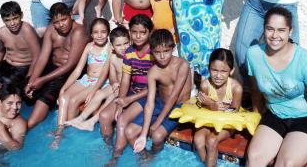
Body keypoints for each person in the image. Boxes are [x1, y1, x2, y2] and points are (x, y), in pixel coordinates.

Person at [246, 7, 307, 167]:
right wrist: (255, 120)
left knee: (286, 164)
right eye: (270, 29)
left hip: (306, 118)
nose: (275, 35)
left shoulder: (306, 61)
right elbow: (256, 93)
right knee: (254, 158)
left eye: (281, 30)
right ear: (264, 29)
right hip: (275, 115)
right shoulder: (253, 54)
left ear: (290, 31)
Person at [24, 2, 88, 129]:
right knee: (24, 86)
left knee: (45, 95)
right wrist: (31, 82)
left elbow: (70, 64)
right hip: (52, 67)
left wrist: (42, 80)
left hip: (68, 72)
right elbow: (43, 57)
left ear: (71, 15)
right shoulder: (51, 29)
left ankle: (28, 127)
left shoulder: (78, 32)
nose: (60, 25)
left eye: (63, 20)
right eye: (56, 22)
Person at [129, 30, 191, 160]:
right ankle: (145, 156)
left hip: (179, 106)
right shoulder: (153, 71)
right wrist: (143, 134)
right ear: (152, 52)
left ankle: (153, 155)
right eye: (157, 53)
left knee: (157, 136)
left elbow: (174, 96)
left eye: (166, 51)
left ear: (172, 49)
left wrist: (157, 122)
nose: (162, 56)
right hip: (160, 103)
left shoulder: (182, 65)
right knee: (130, 132)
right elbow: (150, 102)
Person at [50, 18, 111, 148]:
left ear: (108, 33)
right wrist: (63, 88)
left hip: (100, 82)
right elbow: (78, 70)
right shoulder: (89, 46)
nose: (99, 35)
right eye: (96, 32)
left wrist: (94, 90)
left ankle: (71, 131)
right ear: (91, 34)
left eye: (103, 32)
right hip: (86, 79)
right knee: (65, 97)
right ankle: (60, 130)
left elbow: (105, 73)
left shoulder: (109, 49)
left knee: (74, 101)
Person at [99, 14, 154, 147]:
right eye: (134, 32)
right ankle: (107, 148)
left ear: (150, 33)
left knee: (121, 121)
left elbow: (155, 87)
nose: (138, 36)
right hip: (132, 90)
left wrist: (128, 100)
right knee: (104, 116)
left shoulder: (154, 53)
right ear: (129, 32)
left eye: (142, 32)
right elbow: (125, 80)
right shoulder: (129, 52)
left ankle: (116, 155)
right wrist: (119, 103)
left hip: (148, 95)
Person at [66, 26, 130, 131]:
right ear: (112, 47)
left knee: (113, 95)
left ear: (130, 42)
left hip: (126, 87)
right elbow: (113, 77)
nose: (123, 47)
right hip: (116, 85)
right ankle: (81, 118)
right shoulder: (113, 57)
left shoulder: (131, 57)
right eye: (118, 45)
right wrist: (114, 83)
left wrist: (118, 87)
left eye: (125, 43)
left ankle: (92, 121)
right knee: (99, 94)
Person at [194, 48, 243, 167]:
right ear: (209, 68)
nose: (218, 75)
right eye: (214, 70)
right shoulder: (205, 85)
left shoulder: (236, 88)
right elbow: (199, 105)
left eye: (223, 71)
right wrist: (210, 105)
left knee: (211, 140)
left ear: (231, 71)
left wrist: (213, 105)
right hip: (209, 122)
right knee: (198, 139)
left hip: (227, 124)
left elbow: (234, 111)